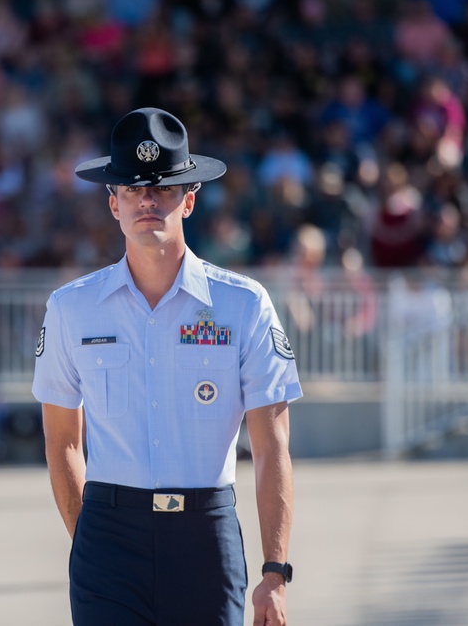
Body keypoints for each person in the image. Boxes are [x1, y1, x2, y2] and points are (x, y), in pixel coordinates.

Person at [33, 107, 301, 626]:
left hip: (205, 535)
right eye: (132, 190)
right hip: (108, 538)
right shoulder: (71, 308)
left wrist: (275, 572)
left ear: (189, 199)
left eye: (161, 189)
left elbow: (272, 448)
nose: (147, 202)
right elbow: (62, 440)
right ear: (113, 204)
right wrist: (89, 537)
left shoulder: (243, 305)